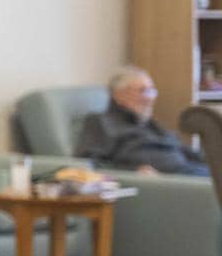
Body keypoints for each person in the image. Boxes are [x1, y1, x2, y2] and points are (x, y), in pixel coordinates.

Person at [75, 66, 208, 176]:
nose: (150, 98)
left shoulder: (148, 123)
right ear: (118, 95)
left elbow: (188, 152)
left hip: (191, 173)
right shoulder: (100, 122)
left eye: (152, 91)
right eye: (143, 91)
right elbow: (88, 164)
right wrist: (134, 171)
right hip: (167, 184)